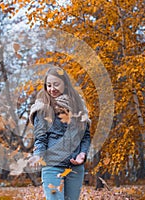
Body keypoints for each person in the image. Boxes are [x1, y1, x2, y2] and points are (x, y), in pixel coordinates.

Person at [28, 66, 91, 200]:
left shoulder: (78, 106)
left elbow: (85, 135)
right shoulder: (43, 108)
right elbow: (40, 138)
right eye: (49, 85)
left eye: (56, 84)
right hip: (52, 166)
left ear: (65, 83)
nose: (52, 89)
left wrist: (82, 153)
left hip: (75, 167)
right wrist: (38, 155)